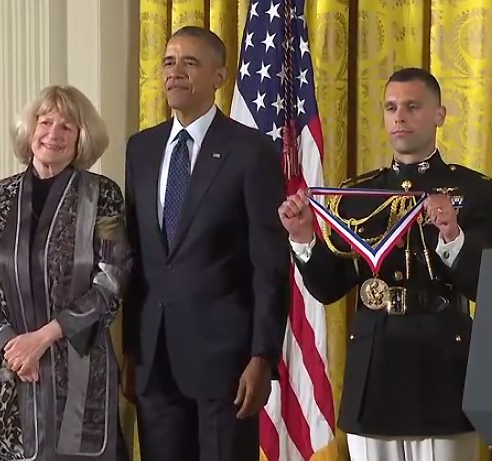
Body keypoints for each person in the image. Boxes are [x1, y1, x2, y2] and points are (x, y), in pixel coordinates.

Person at [279, 67, 492, 461]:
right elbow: (328, 286)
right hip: (376, 367)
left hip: (442, 367)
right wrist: (303, 238)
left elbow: (489, 289)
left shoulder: (475, 191)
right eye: (391, 106)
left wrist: (452, 235)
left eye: (413, 106)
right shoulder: (357, 194)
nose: (399, 116)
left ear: (439, 115)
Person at [121, 26, 290, 461]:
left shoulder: (250, 151)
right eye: (168, 62)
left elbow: (269, 264)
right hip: (153, 361)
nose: (175, 72)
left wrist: (262, 356)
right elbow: (136, 258)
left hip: (226, 365)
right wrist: (129, 349)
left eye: (190, 62)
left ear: (219, 77)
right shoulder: (141, 148)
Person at [0, 85, 131, 461]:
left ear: (82, 138)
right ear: (29, 129)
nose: (53, 132)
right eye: (45, 121)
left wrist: (44, 338)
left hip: (77, 366)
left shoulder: (103, 196)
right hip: (3, 367)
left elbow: (112, 280)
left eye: (67, 126)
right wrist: (10, 345)